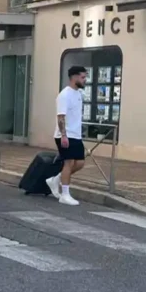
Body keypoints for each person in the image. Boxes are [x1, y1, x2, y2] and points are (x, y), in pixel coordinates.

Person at [48, 65, 87, 206]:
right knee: (68, 163)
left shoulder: (78, 94)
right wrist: (63, 135)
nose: (85, 80)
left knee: (80, 163)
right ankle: (64, 194)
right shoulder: (64, 95)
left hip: (76, 135)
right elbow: (61, 117)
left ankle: (56, 180)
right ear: (74, 77)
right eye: (83, 77)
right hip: (65, 135)